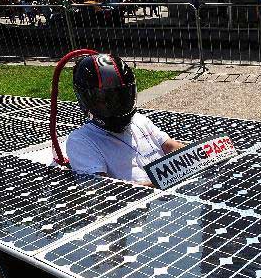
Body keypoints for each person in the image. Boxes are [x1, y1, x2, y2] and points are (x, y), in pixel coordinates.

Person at [66, 54, 185, 185]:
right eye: (105, 99)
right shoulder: (80, 141)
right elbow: (103, 191)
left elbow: (170, 146)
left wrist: (201, 156)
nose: (116, 104)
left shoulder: (139, 120)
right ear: (86, 100)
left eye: (121, 96)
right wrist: (171, 178)